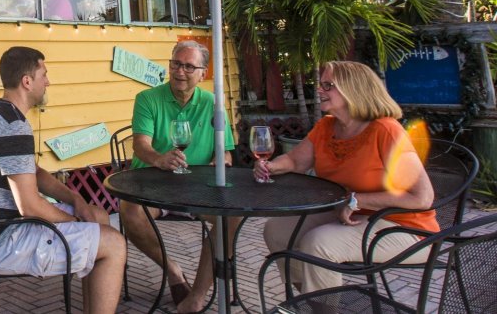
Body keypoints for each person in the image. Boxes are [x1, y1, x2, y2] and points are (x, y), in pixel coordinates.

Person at [0, 46, 126, 314]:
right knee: (115, 244)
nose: (48, 81)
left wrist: (77, 200)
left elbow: (34, 173)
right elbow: (30, 207)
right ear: (27, 81)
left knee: (97, 217)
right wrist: (74, 223)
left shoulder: (3, 115)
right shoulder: (13, 127)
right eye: (44, 74)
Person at [255, 60, 436, 294]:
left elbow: (421, 197)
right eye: (320, 85)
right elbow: (295, 161)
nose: (319, 90)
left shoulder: (385, 130)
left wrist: (357, 200)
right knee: (277, 230)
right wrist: (271, 166)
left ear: (354, 89)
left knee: (319, 244)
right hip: (348, 215)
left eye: (328, 85)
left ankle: (323, 309)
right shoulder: (327, 126)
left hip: (404, 227)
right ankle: (310, 302)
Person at [121, 40, 238, 313]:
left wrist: (218, 163)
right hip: (154, 185)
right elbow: (141, 145)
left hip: (198, 188)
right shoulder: (148, 99)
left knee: (231, 218)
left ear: (202, 73)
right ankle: (172, 269)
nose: (180, 71)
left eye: (188, 66)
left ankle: (197, 296)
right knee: (129, 212)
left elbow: (226, 154)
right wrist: (159, 159)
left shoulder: (213, 103)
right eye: (175, 64)